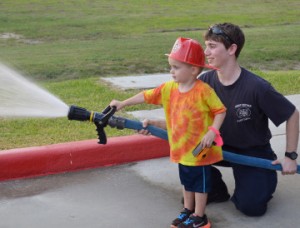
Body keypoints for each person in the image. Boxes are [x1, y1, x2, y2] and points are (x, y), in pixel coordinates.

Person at [140, 23, 300, 217]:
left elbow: (292, 114)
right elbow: (188, 122)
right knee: (192, 155)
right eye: (206, 45)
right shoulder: (204, 83)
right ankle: (214, 189)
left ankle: (258, 183)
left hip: (251, 153)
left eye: (212, 46)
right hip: (215, 149)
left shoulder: (257, 87)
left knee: (251, 207)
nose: (206, 52)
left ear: (232, 49)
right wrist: (156, 125)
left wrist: (291, 156)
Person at [110, 37, 226, 228]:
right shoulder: (168, 89)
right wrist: (122, 103)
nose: (171, 71)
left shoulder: (203, 91)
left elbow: (220, 111)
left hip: (200, 150)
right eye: (170, 66)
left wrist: (212, 132)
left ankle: (200, 216)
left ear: (194, 70)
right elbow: (145, 96)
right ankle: (187, 211)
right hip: (181, 150)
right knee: (187, 183)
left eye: (176, 67)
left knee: (200, 186)